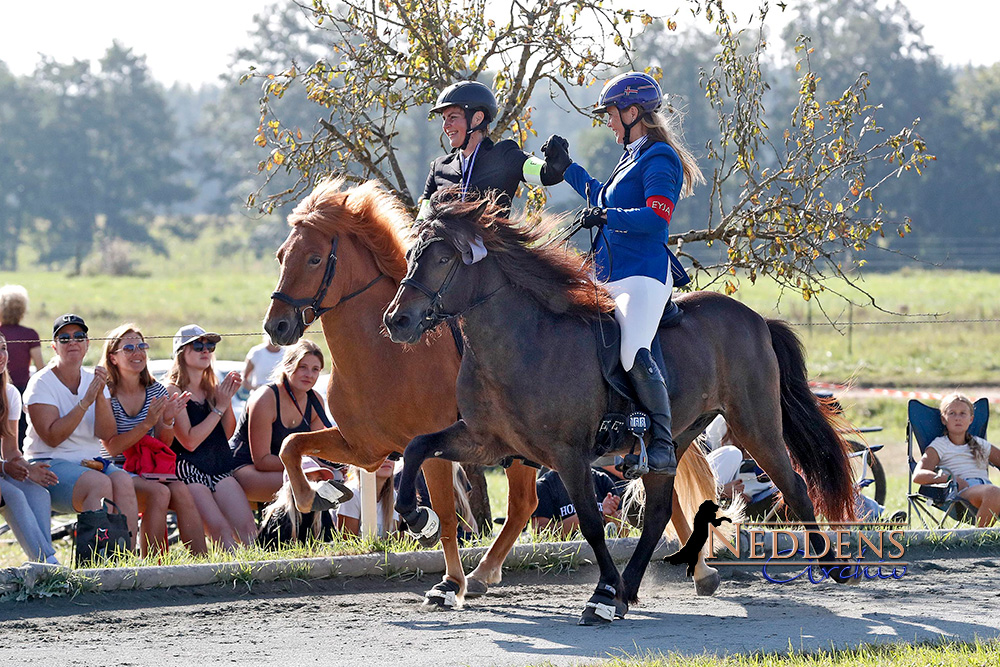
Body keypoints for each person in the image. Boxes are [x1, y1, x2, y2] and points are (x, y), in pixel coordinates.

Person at [541, 71, 707, 476]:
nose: (609, 121)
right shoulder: (629, 156)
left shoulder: (659, 157)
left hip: (644, 276)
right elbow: (602, 198)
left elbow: (656, 217)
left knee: (633, 348)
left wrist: (608, 214)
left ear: (633, 112)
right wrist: (569, 171)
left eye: (612, 114)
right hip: (609, 273)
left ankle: (663, 443)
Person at [22, 314, 140, 548]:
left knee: (124, 481)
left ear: (87, 344)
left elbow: (107, 433)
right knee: (99, 484)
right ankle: (97, 562)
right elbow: (52, 438)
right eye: (64, 338)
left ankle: (125, 560)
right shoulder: (41, 383)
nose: (72, 342)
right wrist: (85, 402)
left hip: (89, 462)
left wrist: (99, 396)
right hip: (48, 463)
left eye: (79, 336)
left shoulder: (93, 379)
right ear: (54, 347)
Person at [100, 324, 208, 557]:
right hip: (114, 468)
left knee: (180, 488)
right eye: (128, 348)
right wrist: (147, 423)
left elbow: (162, 444)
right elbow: (112, 447)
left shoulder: (155, 390)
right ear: (113, 358)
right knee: (159, 493)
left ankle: (203, 564)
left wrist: (167, 420)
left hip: (147, 467)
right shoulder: (106, 393)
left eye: (142, 346)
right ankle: (155, 564)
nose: (137, 353)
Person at [415, 80, 565, 223]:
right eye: (444, 119)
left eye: (452, 117)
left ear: (477, 118)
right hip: (444, 249)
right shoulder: (439, 167)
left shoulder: (505, 155)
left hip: (491, 248)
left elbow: (547, 174)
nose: (446, 125)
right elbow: (421, 223)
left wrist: (557, 159)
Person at [165, 324, 256, 549]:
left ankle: (253, 580)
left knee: (250, 533)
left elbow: (226, 434)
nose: (205, 350)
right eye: (197, 345)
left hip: (218, 466)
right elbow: (189, 441)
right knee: (222, 533)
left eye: (210, 345)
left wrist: (225, 403)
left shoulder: (212, 387)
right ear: (181, 353)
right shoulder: (172, 390)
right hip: (188, 468)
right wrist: (220, 407)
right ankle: (228, 580)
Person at [231, 340, 332, 503]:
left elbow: (312, 453)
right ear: (288, 365)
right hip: (245, 467)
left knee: (330, 480)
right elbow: (262, 461)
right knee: (307, 484)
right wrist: (307, 467)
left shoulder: (316, 402)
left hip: (289, 467)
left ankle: (325, 528)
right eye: (302, 367)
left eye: (315, 370)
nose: (309, 375)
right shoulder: (265, 398)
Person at [1, 332, 59, 563]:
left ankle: (42, 564)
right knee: (12, 493)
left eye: (4, 348)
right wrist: (6, 468)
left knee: (38, 492)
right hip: (1, 471)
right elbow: (5, 464)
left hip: (1, 468)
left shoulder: (9, 393)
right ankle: (49, 562)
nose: (1, 355)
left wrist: (27, 468)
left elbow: (11, 451)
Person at [913, 393, 1000, 527]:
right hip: (961, 492)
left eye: (962, 413)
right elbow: (918, 475)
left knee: (994, 492)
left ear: (971, 419)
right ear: (944, 419)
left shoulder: (980, 444)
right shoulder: (940, 445)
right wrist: (950, 478)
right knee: (994, 493)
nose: (957, 418)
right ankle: (978, 539)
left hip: (986, 489)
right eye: (952, 413)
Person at [257, 457, 340, 548]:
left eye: (318, 480)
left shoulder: (322, 512)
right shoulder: (279, 514)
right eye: (307, 479)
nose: (314, 484)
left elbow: (331, 544)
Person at [0, 285, 46, 448]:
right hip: (22, 390)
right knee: (17, 439)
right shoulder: (30, 334)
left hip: (7, 389)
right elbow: (40, 367)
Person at [531, 467, 622, 538]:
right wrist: (589, 513)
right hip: (566, 555)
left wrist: (610, 516)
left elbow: (624, 531)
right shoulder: (544, 486)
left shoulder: (602, 480)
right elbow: (541, 534)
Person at [337, 459, 399, 537]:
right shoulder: (352, 494)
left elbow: (393, 539)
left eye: (391, 456)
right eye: (379, 455)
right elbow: (348, 540)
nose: (387, 460)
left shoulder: (393, 496)